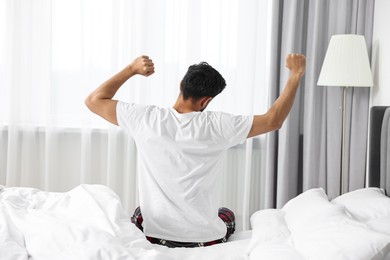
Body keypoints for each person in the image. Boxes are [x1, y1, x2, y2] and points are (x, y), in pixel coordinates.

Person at [85, 53, 306, 247]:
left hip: (154, 236)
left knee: (140, 213)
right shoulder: (219, 125)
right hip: (204, 238)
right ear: (206, 101)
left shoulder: (146, 119)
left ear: (181, 84)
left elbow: (94, 100)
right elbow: (273, 120)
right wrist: (295, 74)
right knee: (226, 214)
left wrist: (132, 69)